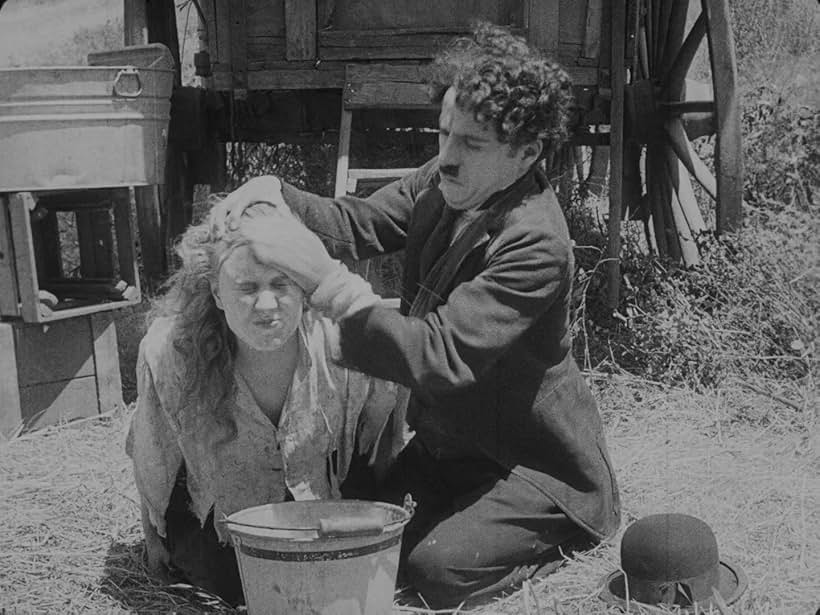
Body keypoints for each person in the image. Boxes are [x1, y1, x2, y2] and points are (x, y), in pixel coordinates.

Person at [219, 22, 621, 608]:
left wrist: (328, 284)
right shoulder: (442, 180)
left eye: (472, 144)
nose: (447, 158)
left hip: (529, 459)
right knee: (352, 515)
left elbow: (441, 355)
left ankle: (567, 530)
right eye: (443, 133)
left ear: (527, 153)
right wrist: (278, 193)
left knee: (435, 574)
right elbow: (361, 223)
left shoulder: (535, 241)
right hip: (452, 443)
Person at [125, 199, 398, 605]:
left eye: (281, 284)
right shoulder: (170, 353)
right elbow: (153, 455)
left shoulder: (338, 343)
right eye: (248, 288)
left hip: (316, 510)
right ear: (217, 292)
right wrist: (153, 538)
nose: (266, 305)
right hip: (226, 522)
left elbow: (390, 412)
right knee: (235, 588)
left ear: (304, 288)